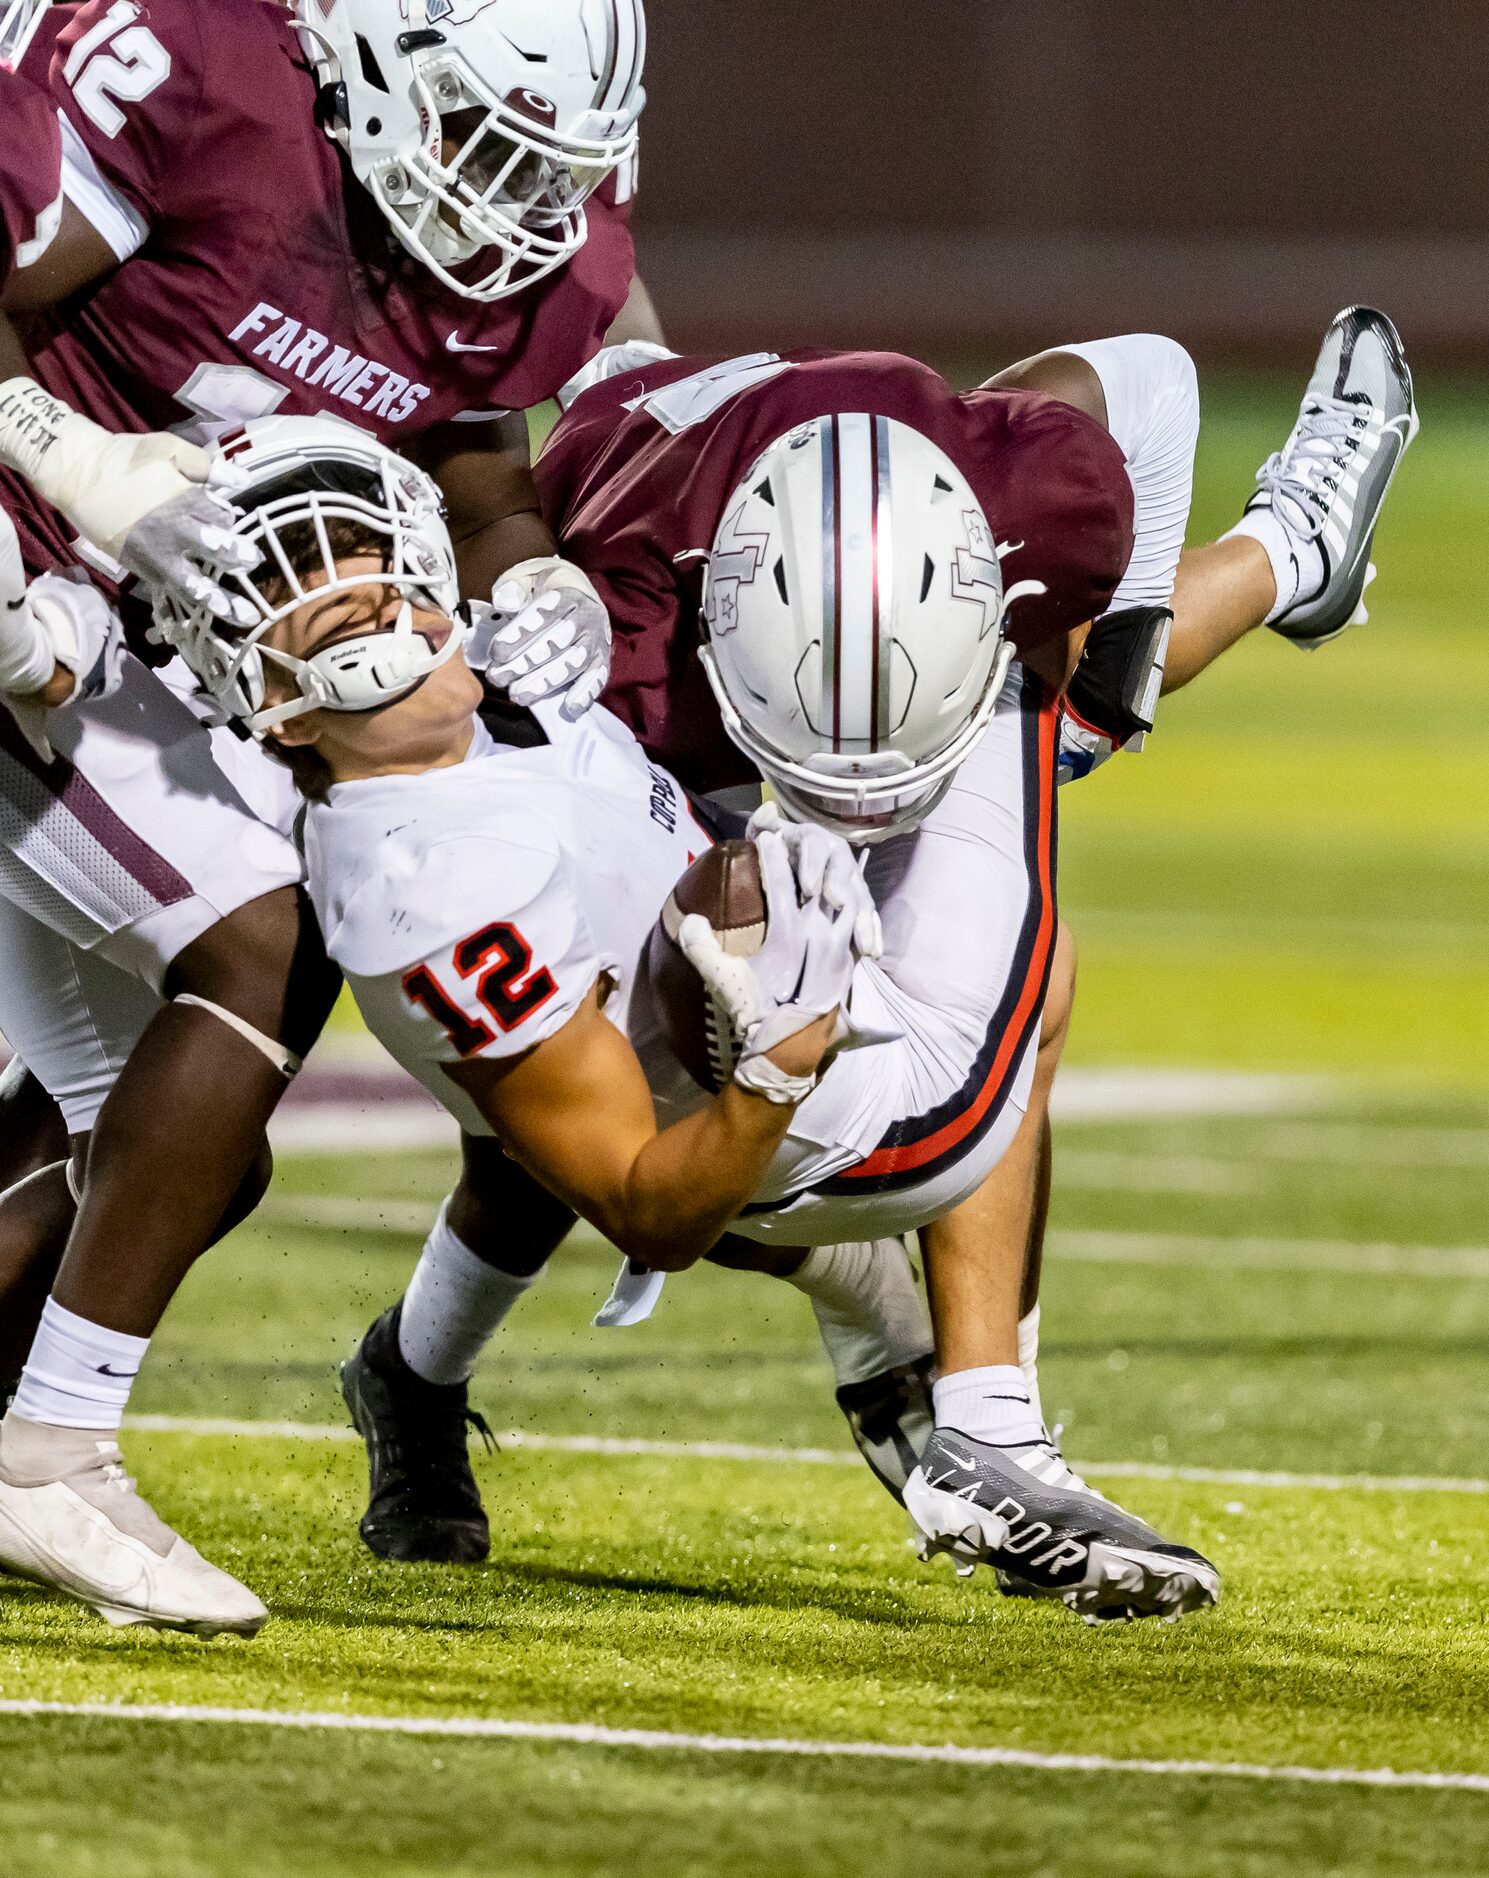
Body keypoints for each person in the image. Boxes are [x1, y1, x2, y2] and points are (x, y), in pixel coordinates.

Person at [322, 309, 1417, 1612]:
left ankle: (1291, 548)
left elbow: (1154, 376)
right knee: (611, 1070)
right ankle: (961, 1409)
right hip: (666, 753)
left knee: (1042, 706)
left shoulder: (1014, 487)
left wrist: (1102, 690)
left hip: (867, 573)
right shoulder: (606, 675)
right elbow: (640, 1159)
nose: (864, 794)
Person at [154, 413, 1223, 1623]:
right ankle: (990, 1432)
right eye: (349, 617)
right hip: (753, 1103)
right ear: (284, 711)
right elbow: (649, 1207)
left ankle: (409, 1373)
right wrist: (775, 1066)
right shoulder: (435, 890)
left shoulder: (493, 690)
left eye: (381, 565)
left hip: (691, 1019)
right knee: (1028, 915)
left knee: (539, 1141)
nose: (393, 600)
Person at [0, 0, 650, 1636]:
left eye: (547, 165)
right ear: (364, 57)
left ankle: (37, 1442)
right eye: (480, 139)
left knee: (157, 1147)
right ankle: (53, 1450)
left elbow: (477, 470)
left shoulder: (531, 261)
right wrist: (69, 463)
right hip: (33, 573)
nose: (511, 202)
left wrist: (530, 573)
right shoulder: (206, 85)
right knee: (261, 947)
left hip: (154, 635)